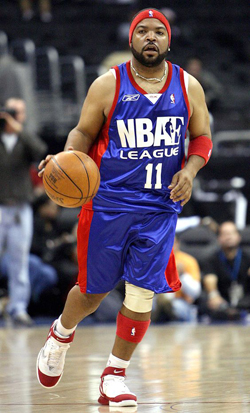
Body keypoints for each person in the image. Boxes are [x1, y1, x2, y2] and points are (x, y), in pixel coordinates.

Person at [36, 8, 212, 407]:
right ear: (131, 40)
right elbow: (82, 132)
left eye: (159, 32)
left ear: (169, 41)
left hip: (159, 206)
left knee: (142, 292)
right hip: (108, 204)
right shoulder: (107, 85)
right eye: (143, 31)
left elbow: (202, 138)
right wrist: (64, 161)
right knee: (93, 292)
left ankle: (114, 376)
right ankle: (61, 334)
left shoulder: (189, 86)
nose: (151, 37)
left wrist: (191, 169)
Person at [0, 98, 47, 326]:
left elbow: (40, 151)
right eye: (8, 111)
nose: (10, 116)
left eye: (16, 112)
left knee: (19, 261)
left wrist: (20, 130)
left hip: (20, 207)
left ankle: (18, 308)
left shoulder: (24, 139)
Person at [199, 221, 250, 321]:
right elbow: (210, 279)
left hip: (245, 300)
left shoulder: (247, 257)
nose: (228, 237)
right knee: (206, 302)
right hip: (222, 302)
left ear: (238, 237)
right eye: (225, 234)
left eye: (232, 233)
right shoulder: (212, 259)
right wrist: (214, 295)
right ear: (219, 238)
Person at [152, 235, 201, 322]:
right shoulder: (153, 261)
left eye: (172, 243)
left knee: (179, 307)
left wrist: (182, 275)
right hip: (155, 302)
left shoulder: (188, 261)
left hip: (180, 302)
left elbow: (195, 292)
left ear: (177, 244)